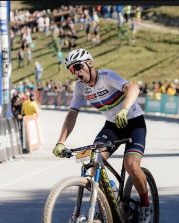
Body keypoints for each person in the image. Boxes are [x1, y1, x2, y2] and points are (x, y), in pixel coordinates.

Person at [52, 48, 151, 223]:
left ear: (90, 63)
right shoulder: (80, 88)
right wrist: (60, 142)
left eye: (78, 67)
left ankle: (145, 205)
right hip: (113, 126)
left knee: (131, 165)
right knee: (93, 161)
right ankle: (108, 196)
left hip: (134, 122)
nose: (76, 73)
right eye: (71, 70)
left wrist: (125, 109)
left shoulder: (106, 76)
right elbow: (72, 114)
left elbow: (133, 87)